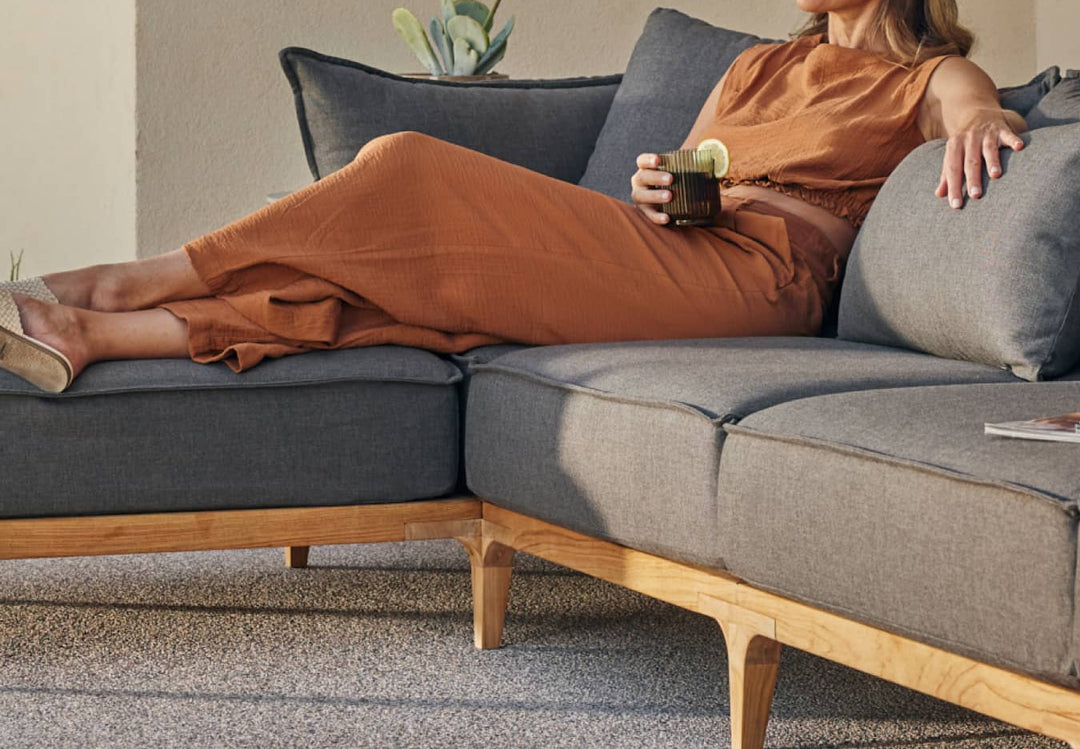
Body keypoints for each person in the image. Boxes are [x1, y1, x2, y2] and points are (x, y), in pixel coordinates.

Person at [0, 0, 1026, 393]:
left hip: (762, 278)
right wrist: (667, 188)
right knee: (395, 296)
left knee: (404, 164)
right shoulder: (757, 65)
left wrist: (981, 122)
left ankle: (119, 279)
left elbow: (971, 104)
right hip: (671, 243)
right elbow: (697, 168)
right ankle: (87, 335)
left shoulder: (918, 79)